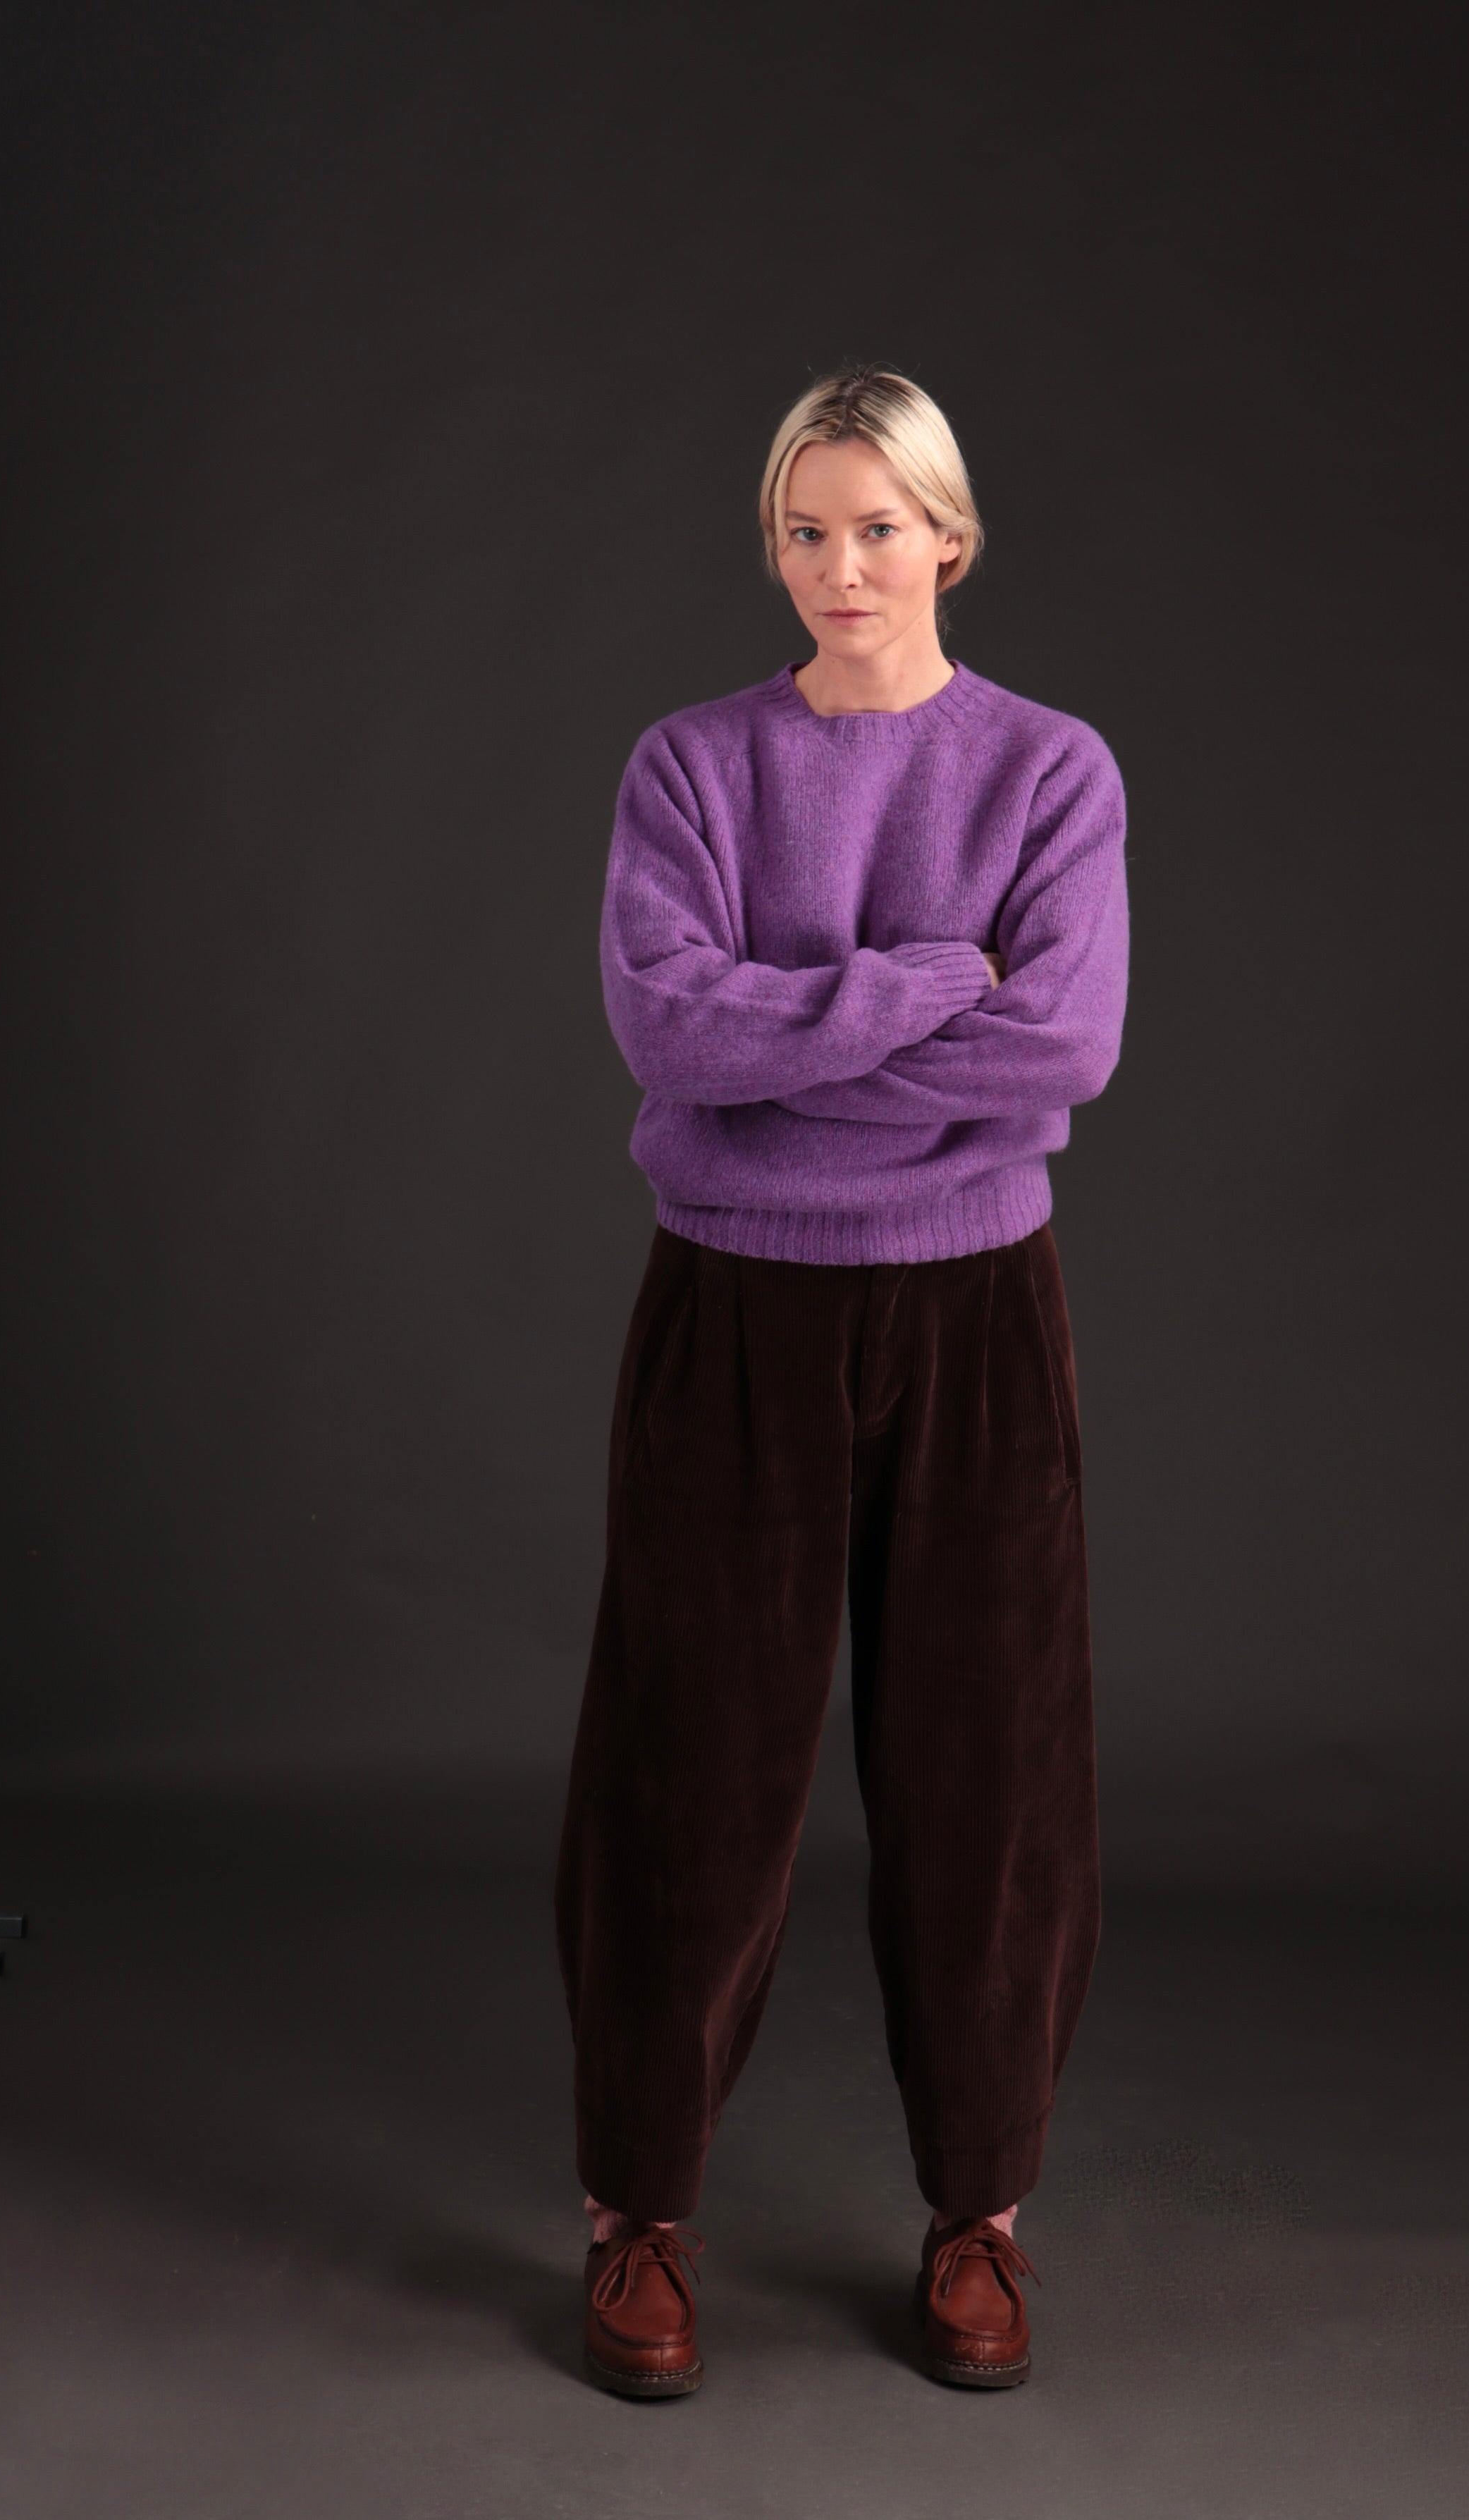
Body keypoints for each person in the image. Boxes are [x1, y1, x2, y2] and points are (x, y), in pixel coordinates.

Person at [554, 365, 1130, 2397]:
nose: (841, 567)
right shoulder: (692, 770)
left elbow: (1059, 1054)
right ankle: (638, 2215)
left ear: (950, 538)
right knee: (689, 1770)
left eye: (879, 526)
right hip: (734, 1311)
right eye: (806, 530)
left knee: (985, 1776)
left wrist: (796, 1049)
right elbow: (668, 1028)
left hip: (977, 1319)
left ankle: (977, 2214)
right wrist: (917, 989)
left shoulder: (1052, 773)